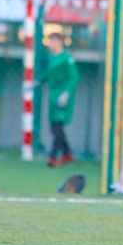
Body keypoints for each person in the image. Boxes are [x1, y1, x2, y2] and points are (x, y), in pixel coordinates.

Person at [39, 32, 80, 167]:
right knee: (54, 127)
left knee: (58, 127)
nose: (51, 44)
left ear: (60, 42)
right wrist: (38, 81)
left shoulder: (67, 58)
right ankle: (68, 154)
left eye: (53, 41)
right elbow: (48, 74)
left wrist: (66, 93)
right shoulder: (51, 58)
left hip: (63, 98)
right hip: (53, 96)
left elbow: (74, 77)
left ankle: (53, 156)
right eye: (50, 41)